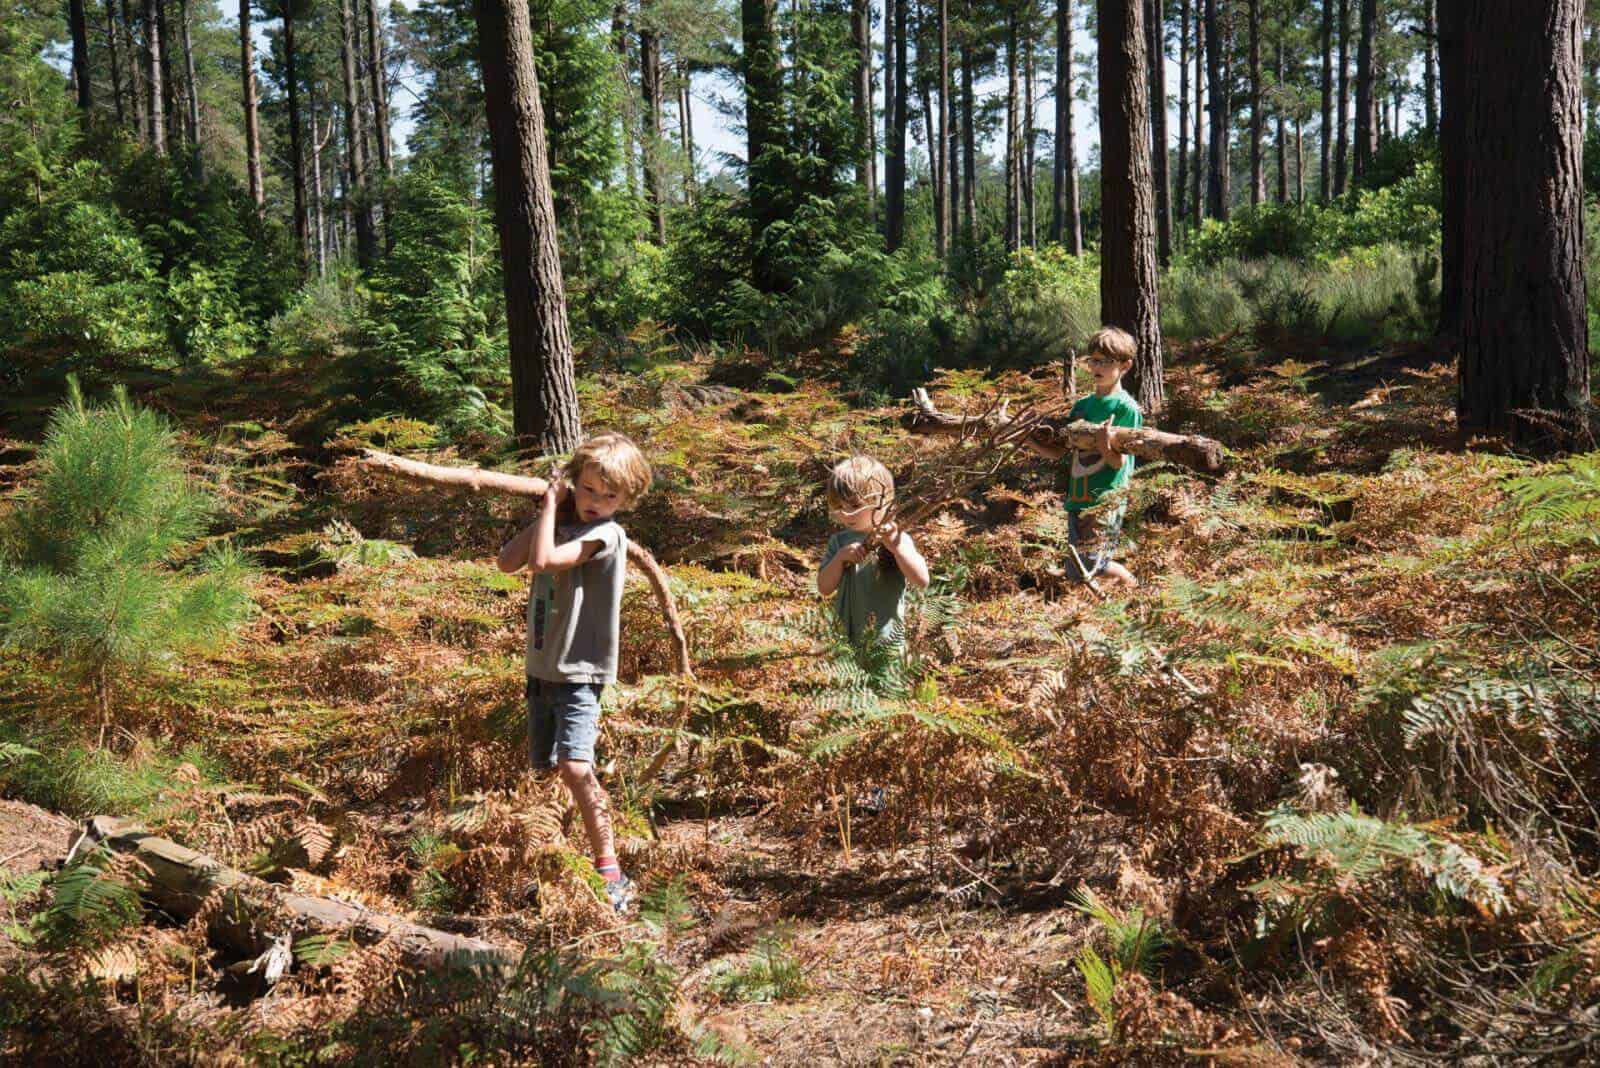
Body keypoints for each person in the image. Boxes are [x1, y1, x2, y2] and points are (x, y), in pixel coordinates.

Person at [497, 432, 651, 912]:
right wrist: (553, 508)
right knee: (543, 773)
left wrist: (550, 509)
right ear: (573, 483)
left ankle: (610, 870)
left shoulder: (607, 535)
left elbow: (543, 561)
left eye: (610, 497)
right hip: (542, 669)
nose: (597, 503)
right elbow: (507, 562)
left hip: (580, 672)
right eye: (588, 490)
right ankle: (554, 868)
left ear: (626, 501)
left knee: (576, 767)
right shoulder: (563, 522)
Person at [1028, 326, 1144, 588]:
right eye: (1093, 360)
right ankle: (1104, 608)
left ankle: (1135, 587)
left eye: (1105, 361)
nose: (1096, 367)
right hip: (1078, 495)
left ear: (1125, 365)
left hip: (1106, 498)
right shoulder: (1082, 406)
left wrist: (1105, 445)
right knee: (1076, 567)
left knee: (1093, 563)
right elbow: (1058, 451)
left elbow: (1119, 463)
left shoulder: (1126, 408)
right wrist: (1025, 438)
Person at [816, 455, 930, 645]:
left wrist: (897, 548)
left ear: (883, 501)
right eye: (839, 506)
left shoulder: (896, 537)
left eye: (854, 505)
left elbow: (921, 580)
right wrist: (840, 559)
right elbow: (824, 588)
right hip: (845, 638)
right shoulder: (839, 541)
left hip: (886, 639)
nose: (845, 513)